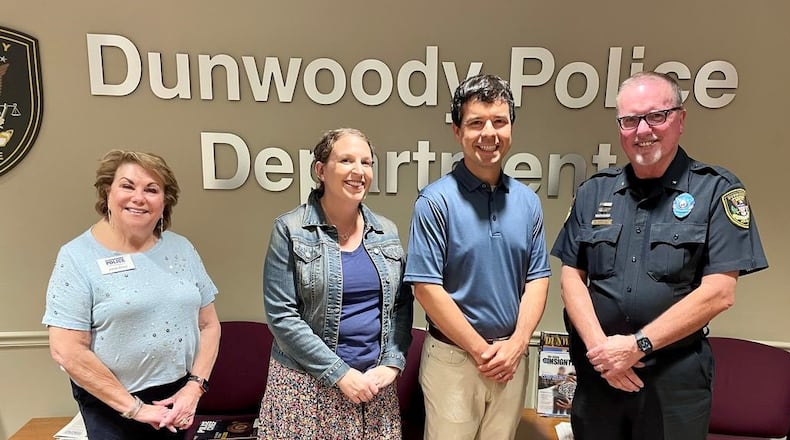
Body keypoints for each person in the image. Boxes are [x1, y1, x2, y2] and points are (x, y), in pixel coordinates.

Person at [551, 71, 768, 439]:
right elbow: (572, 277)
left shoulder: (716, 190)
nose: (643, 130)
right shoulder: (594, 192)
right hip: (599, 377)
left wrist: (637, 346)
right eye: (630, 120)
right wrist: (602, 352)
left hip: (673, 384)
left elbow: (719, 292)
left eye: (656, 116)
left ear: (680, 120)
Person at [404, 74, 551, 439]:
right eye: (476, 123)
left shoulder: (527, 203)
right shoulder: (435, 202)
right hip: (454, 360)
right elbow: (425, 288)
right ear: (457, 132)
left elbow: (537, 278)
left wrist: (516, 345)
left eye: (499, 121)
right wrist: (483, 351)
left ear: (511, 127)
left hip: (511, 358)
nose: (489, 133)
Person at [42, 150, 221, 439]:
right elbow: (67, 350)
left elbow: (209, 325)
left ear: (165, 202)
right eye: (127, 186)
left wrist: (194, 387)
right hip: (112, 405)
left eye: (152, 189)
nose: (139, 197)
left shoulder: (182, 249)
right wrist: (135, 409)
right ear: (107, 193)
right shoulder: (77, 257)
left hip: (176, 401)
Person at [259, 128, 414, 439]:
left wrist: (392, 363)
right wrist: (340, 374)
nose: (358, 171)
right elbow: (282, 317)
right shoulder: (290, 230)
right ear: (320, 170)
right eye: (346, 160)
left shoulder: (387, 231)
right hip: (305, 387)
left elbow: (401, 304)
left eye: (366, 163)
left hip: (373, 387)